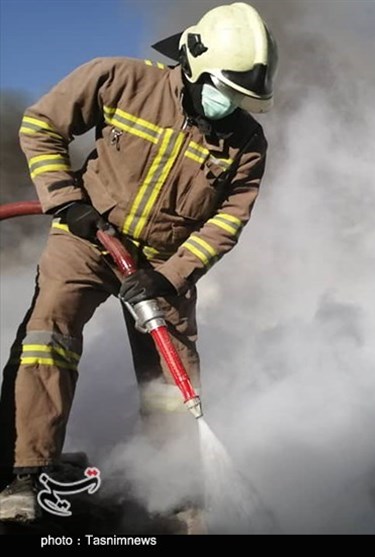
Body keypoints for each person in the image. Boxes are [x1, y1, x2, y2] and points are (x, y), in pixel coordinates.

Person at [0, 2, 277, 523]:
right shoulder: (120, 79)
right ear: (194, 62)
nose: (231, 107)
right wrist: (66, 200)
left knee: (172, 382)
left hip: (162, 264)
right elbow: (40, 125)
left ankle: (172, 493)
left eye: (242, 99)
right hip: (85, 236)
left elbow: (226, 223)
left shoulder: (247, 142)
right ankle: (24, 474)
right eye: (226, 91)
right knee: (48, 337)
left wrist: (168, 276)